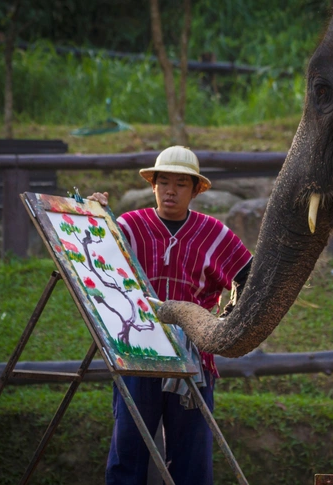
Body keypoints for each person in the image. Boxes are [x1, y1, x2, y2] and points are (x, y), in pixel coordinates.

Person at [89, 146, 252, 485]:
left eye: (181, 184)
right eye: (163, 182)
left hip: (192, 359)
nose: (170, 191)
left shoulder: (214, 234)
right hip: (137, 352)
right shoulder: (129, 227)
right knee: (127, 456)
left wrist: (227, 321)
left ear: (195, 190)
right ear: (153, 186)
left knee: (191, 462)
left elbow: (250, 276)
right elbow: (95, 261)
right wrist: (95, 216)